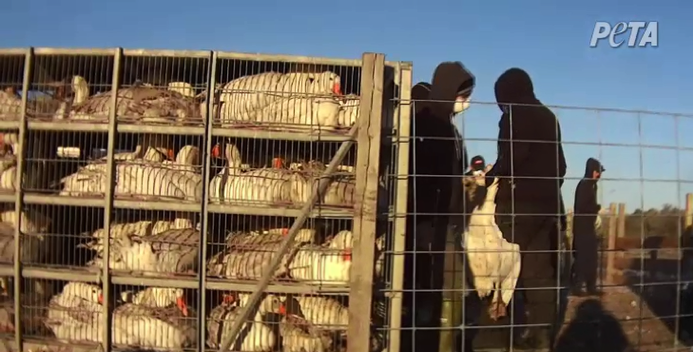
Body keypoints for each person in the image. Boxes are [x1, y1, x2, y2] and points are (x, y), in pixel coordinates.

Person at [485, 67, 567, 350]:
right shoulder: (548, 116)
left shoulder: (514, 115)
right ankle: (540, 335)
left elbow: (512, 156)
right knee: (539, 272)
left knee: (504, 267)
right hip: (547, 206)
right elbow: (562, 166)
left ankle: (501, 332)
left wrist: (489, 178)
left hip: (518, 205)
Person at [402, 62, 475, 352]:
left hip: (444, 225)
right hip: (424, 224)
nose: (465, 103)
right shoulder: (427, 125)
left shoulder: (450, 130)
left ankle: (432, 341)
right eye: (463, 95)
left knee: (438, 292)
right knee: (420, 292)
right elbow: (424, 177)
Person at [571, 157, 605, 296]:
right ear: (592, 171)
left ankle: (591, 286)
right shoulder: (584, 185)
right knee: (582, 257)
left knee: (592, 257)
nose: (599, 175)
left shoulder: (592, 185)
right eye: (597, 172)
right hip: (581, 228)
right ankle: (577, 287)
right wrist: (596, 208)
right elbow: (582, 207)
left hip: (589, 227)